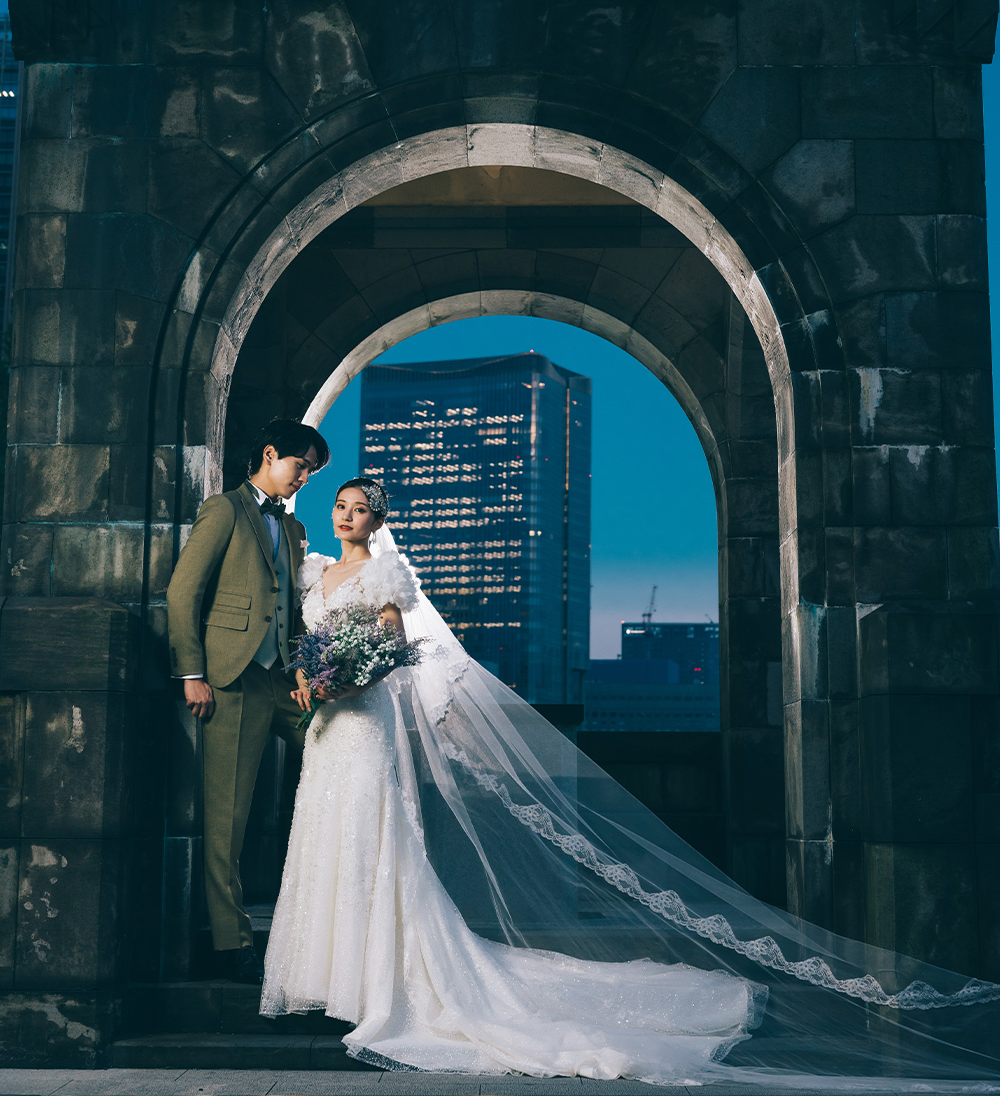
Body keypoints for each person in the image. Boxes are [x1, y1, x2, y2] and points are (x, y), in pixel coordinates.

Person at [262, 478, 1000, 1087]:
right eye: (342, 505)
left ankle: (378, 982)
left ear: (378, 520)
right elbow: (308, 642)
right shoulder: (315, 569)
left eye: (360, 509)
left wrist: (347, 677)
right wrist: (309, 678)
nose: (347, 515)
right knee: (325, 838)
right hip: (327, 729)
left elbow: (394, 645)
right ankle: (329, 975)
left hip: (368, 724)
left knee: (373, 843)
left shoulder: (386, 574)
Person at [166, 417, 329, 983]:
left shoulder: (293, 528)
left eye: (311, 472)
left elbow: (293, 607)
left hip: (284, 678)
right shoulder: (225, 510)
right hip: (230, 678)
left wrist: (313, 669)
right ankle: (230, 940)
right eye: (300, 467)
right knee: (227, 815)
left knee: (345, 742)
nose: (304, 479)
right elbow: (183, 590)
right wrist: (192, 672)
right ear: (268, 453)